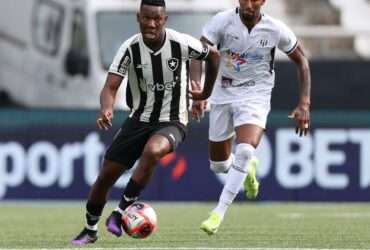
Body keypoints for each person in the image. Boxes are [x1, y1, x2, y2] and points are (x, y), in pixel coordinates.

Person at [71, 0, 220, 245]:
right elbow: (110, 86)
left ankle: (120, 212)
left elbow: (213, 56)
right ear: (138, 17)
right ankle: (90, 229)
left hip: (172, 120)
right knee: (106, 175)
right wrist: (106, 108)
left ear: (165, 19)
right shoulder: (129, 48)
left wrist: (204, 93)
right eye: (147, 18)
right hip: (138, 119)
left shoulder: (180, 42)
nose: (151, 23)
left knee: (153, 150)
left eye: (157, 19)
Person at [190, 0, 311, 235]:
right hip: (222, 92)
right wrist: (199, 88)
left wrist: (304, 102)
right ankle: (248, 167)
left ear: (263, 1)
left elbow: (302, 61)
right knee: (219, 165)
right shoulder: (222, 21)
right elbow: (198, 52)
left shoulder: (275, 29)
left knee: (245, 150)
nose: (249, 3)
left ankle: (218, 214)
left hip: (255, 94)